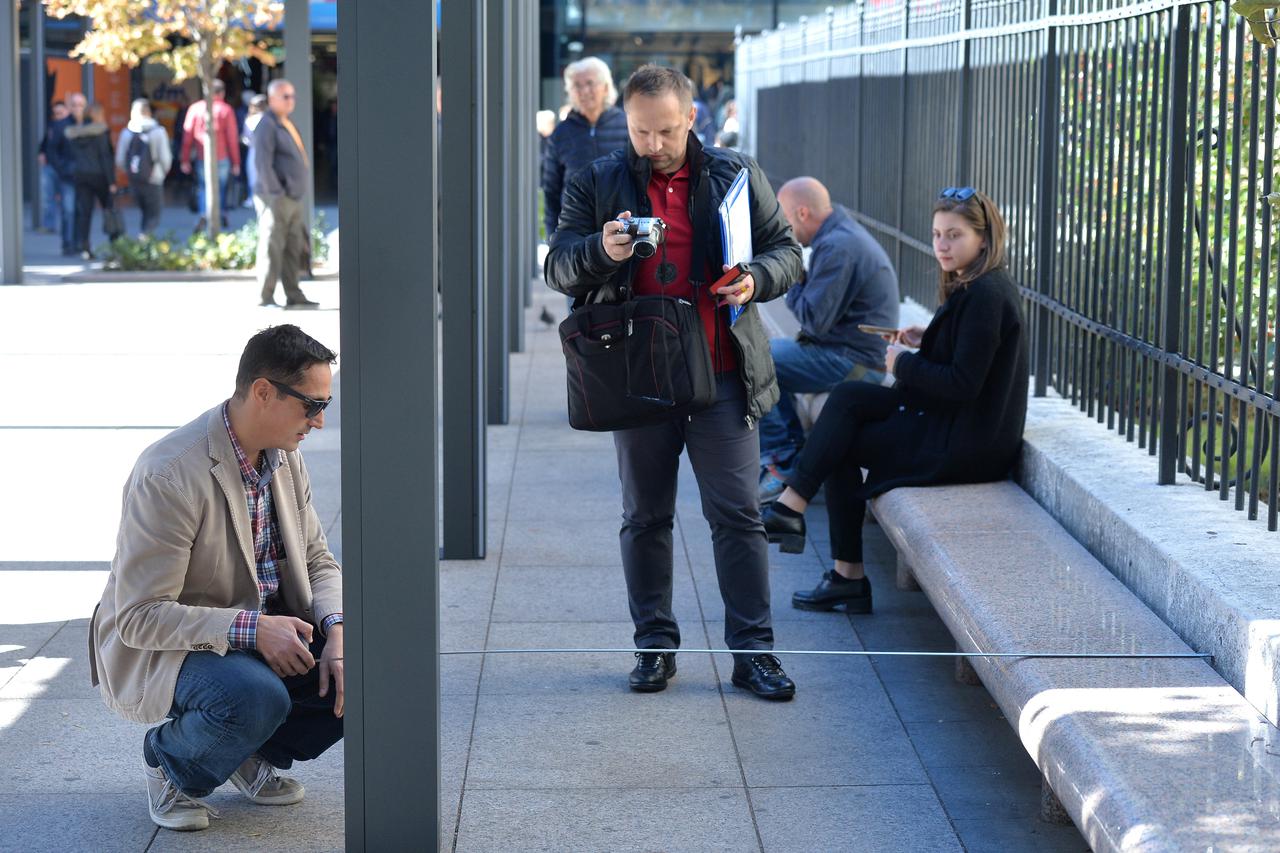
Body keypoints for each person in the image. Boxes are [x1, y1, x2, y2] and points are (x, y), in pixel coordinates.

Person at [545, 64, 804, 700]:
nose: (654, 144)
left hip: (722, 373)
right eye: (641, 132)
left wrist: (755, 279)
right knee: (644, 516)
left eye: (665, 131)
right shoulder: (598, 180)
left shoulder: (734, 174)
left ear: (691, 118)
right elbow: (558, 266)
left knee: (738, 516)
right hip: (639, 377)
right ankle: (654, 645)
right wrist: (601, 252)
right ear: (627, 121)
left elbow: (787, 252)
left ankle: (754, 653)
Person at [89, 324, 344, 833]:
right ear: (263, 391)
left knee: (369, 666)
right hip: (174, 645)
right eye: (311, 406)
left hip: (262, 631)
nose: (318, 421)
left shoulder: (285, 458)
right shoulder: (169, 473)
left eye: (325, 406)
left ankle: (242, 753)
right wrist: (254, 629)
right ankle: (170, 763)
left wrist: (337, 629)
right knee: (252, 697)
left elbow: (318, 560)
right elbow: (139, 615)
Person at [760, 188, 1029, 615]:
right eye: (937, 234)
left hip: (966, 444)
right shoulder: (975, 286)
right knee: (847, 399)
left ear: (983, 239)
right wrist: (929, 338)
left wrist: (903, 363)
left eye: (954, 235)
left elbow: (962, 384)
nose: (942, 245)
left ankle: (835, 561)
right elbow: (965, 358)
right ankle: (796, 511)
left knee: (840, 441)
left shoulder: (986, 296)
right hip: (951, 424)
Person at [757, 176, 900, 501]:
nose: (782, 228)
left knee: (756, 364)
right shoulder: (838, 237)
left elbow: (813, 320)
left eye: (784, 219)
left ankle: (782, 462)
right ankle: (790, 453)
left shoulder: (838, 247)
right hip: (844, 351)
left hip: (856, 364)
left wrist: (794, 275)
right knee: (756, 355)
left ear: (802, 213)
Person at [541, 57, 629, 240]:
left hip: (621, 228)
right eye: (577, 85)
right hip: (575, 231)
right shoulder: (560, 134)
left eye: (590, 83)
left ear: (606, 87)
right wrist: (554, 239)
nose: (584, 91)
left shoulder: (628, 126)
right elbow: (551, 192)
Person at [253, 79, 318, 309]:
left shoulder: (285, 122)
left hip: (292, 197)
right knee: (272, 246)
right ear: (272, 99)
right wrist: (276, 192)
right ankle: (265, 296)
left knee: (293, 246)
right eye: (285, 96)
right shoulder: (267, 125)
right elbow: (262, 163)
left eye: (292, 96)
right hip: (276, 197)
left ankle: (294, 294)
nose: (291, 100)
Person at [180, 79, 241, 229]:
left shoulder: (195, 109)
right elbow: (232, 139)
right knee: (221, 188)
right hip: (222, 156)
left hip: (202, 156)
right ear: (222, 93)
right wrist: (236, 162)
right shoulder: (226, 110)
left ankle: (204, 213)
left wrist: (185, 159)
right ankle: (219, 214)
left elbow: (187, 137)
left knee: (203, 187)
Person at [65, 102, 120, 257]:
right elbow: (105, 157)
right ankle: (115, 245)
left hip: (81, 175)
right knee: (109, 210)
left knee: (85, 213)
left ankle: (84, 246)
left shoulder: (74, 133)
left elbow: (70, 156)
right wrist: (112, 182)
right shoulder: (101, 132)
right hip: (100, 176)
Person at [115, 99, 173, 235]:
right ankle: (145, 238)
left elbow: (120, 159)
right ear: (148, 113)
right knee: (153, 214)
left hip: (135, 178)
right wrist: (162, 172)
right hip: (154, 178)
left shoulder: (126, 133)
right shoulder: (158, 132)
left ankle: (144, 237)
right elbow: (165, 158)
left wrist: (130, 171)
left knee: (144, 212)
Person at [47, 92, 88, 256]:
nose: (77, 108)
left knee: (81, 211)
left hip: (85, 176)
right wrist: (62, 169)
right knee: (68, 210)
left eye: (81, 105)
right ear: (69, 107)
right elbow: (51, 150)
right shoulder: (61, 126)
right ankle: (68, 244)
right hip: (68, 176)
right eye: (74, 105)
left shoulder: (89, 125)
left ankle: (80, 243)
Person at [36, 100, 69, 233]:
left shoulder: (70, 127)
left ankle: (67, 227)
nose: (58, 116)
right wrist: (41, 153)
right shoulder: (52, 126)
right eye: (56, 113)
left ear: (66, 112)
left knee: (66, 199)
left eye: (61, 113)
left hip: (63, 167)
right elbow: (45, 143)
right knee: (47, 198)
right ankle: (49, 225)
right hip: (49, 166)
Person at [242, 94, 268, 207]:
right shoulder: (269, 119)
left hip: (254, 149)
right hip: (267, 150)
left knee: (252, 175)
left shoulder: (250, 119)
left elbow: (246, 138)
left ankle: (252, 198)